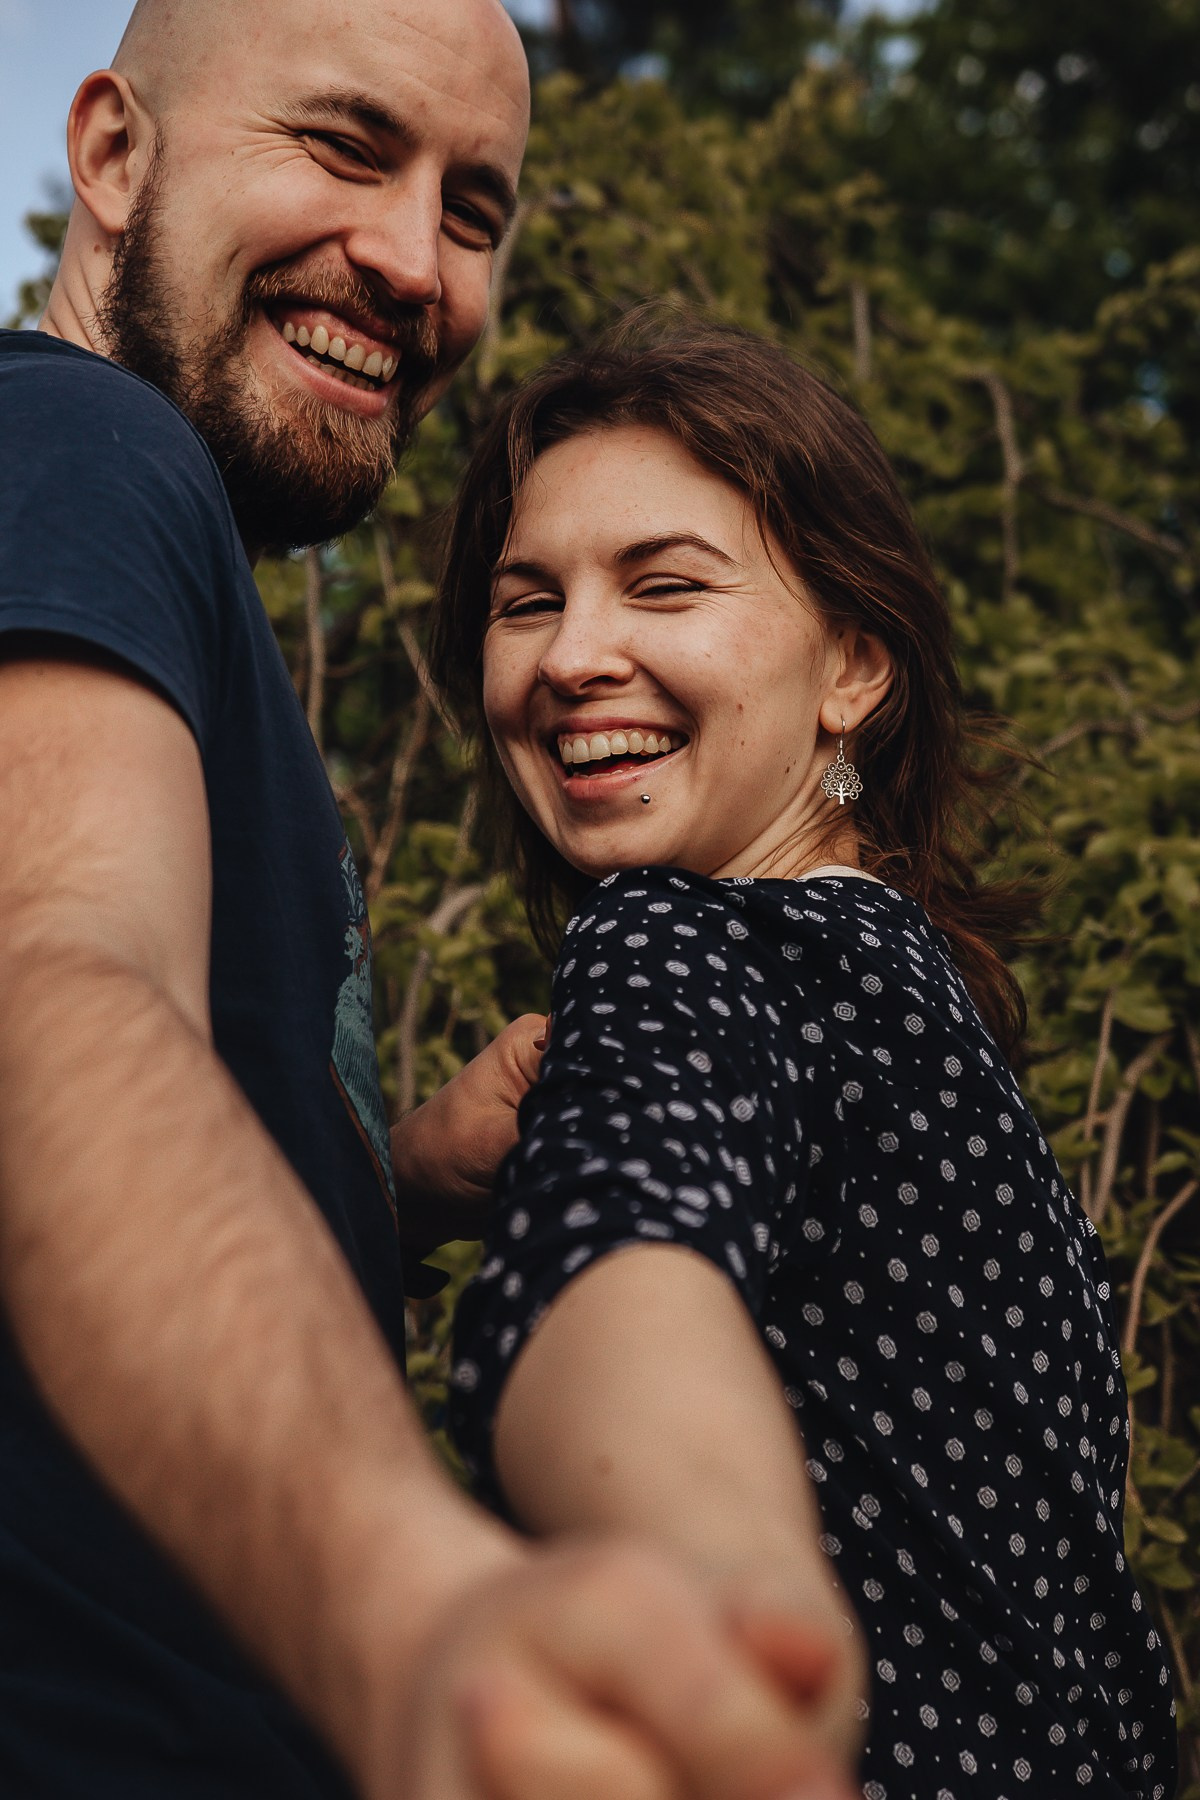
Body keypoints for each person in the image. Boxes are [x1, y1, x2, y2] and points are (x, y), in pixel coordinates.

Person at [0, 8, 860, 1799]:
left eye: (475, 209)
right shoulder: (86, 450)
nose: (414, 263)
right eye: (341, 145)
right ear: (110, 156)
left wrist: (387, 1182)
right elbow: (49, 982)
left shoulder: (153, 573)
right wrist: (410, 1598)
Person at [429, 316, 1180, 1800]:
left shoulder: (684, 939)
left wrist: (725, 1608)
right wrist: (400, 1184)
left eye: (665, 585)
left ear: (852, 666)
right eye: (528, 602)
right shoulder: (919, 1000)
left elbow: (619, 1251)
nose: (576, 656)